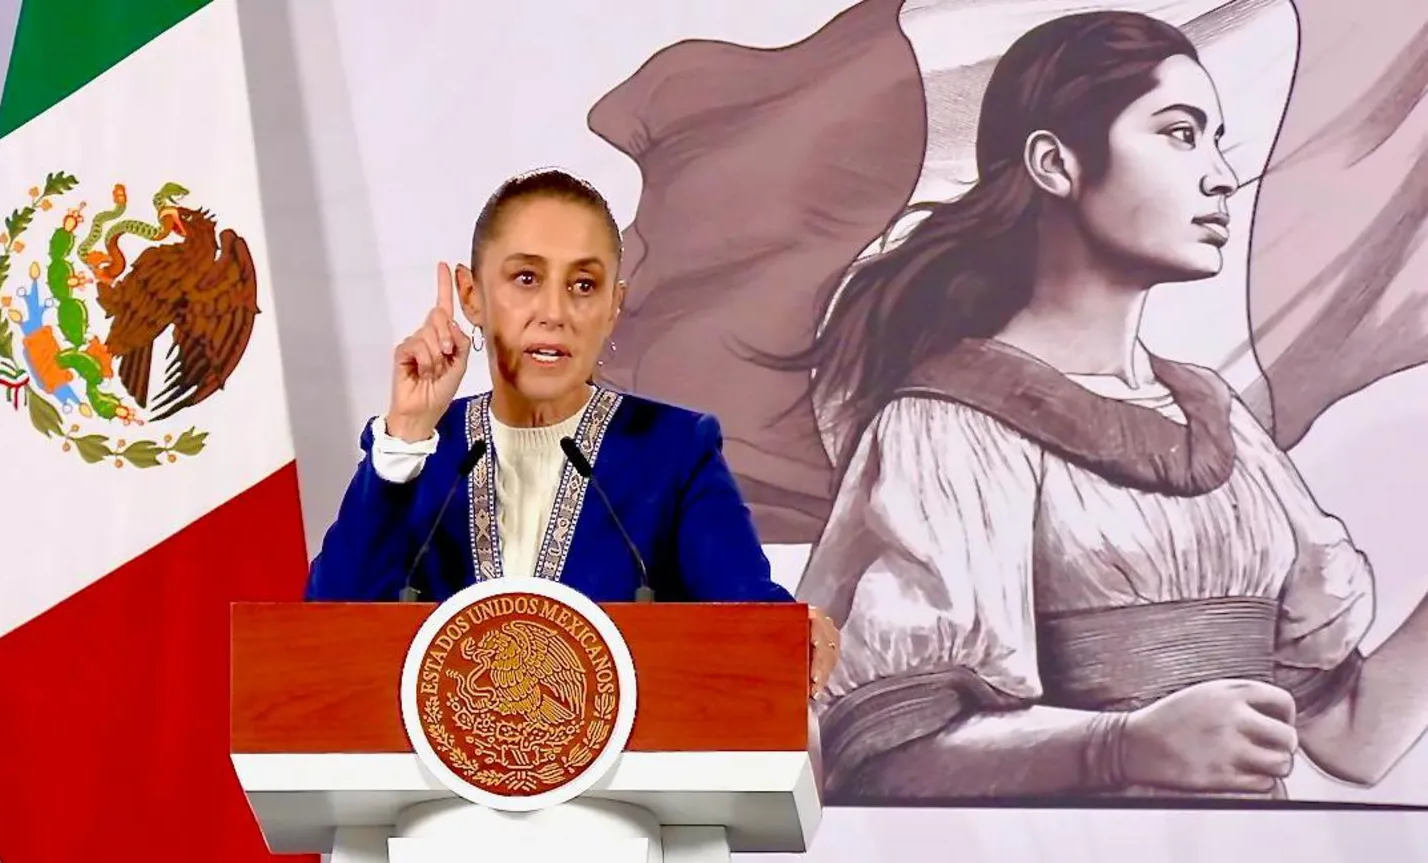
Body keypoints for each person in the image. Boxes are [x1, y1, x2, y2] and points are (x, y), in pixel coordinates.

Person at [788, 10, 1428, 801]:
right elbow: (882, 751)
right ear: (1055, 163)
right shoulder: (951, 424)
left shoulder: (1219, 418)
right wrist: (1120, 747)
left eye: (1217, 139)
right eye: (1181, 134)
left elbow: (1354, 735)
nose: (1222, 175)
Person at [307, 168, 840, 695]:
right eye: (526, 279)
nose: (555, 313)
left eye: (584, 285)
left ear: (613, 307)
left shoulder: (673, 450)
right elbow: (325, 636)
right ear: (471, 295)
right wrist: (405, 435)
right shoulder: (420, 452)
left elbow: (744, 606)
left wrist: (789, 632)